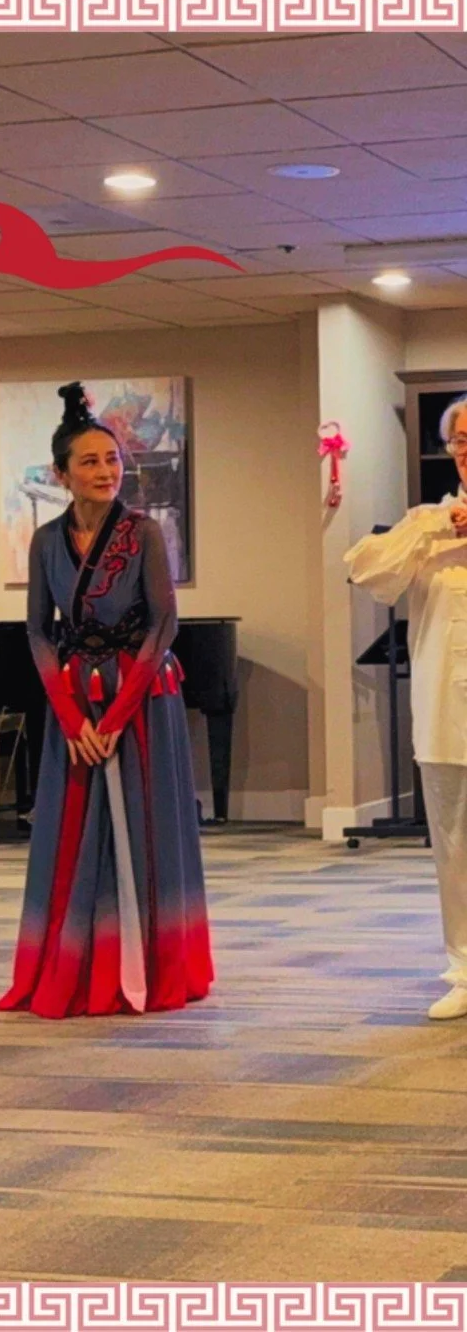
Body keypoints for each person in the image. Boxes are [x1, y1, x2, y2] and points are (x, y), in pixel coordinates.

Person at [0, 382, 213, 1019]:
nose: (105, 472)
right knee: (72, 831)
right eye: (89, 462)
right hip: (74, 702)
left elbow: (163, 626)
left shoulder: (144, 533)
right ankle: (77, 962)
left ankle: (152, 961)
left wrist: (116, 717)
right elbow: (39, 629)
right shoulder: (45, 542)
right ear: (62, 474)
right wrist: (68, 716)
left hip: (140, 697)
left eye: (113, 460)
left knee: (146, 824)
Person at [346, 395, 467, 1021]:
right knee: (453, 837)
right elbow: (367, 573)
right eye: (461, 440)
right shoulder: (427, 522)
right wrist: (437, 530)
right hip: (446, 705)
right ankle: (465, 967)